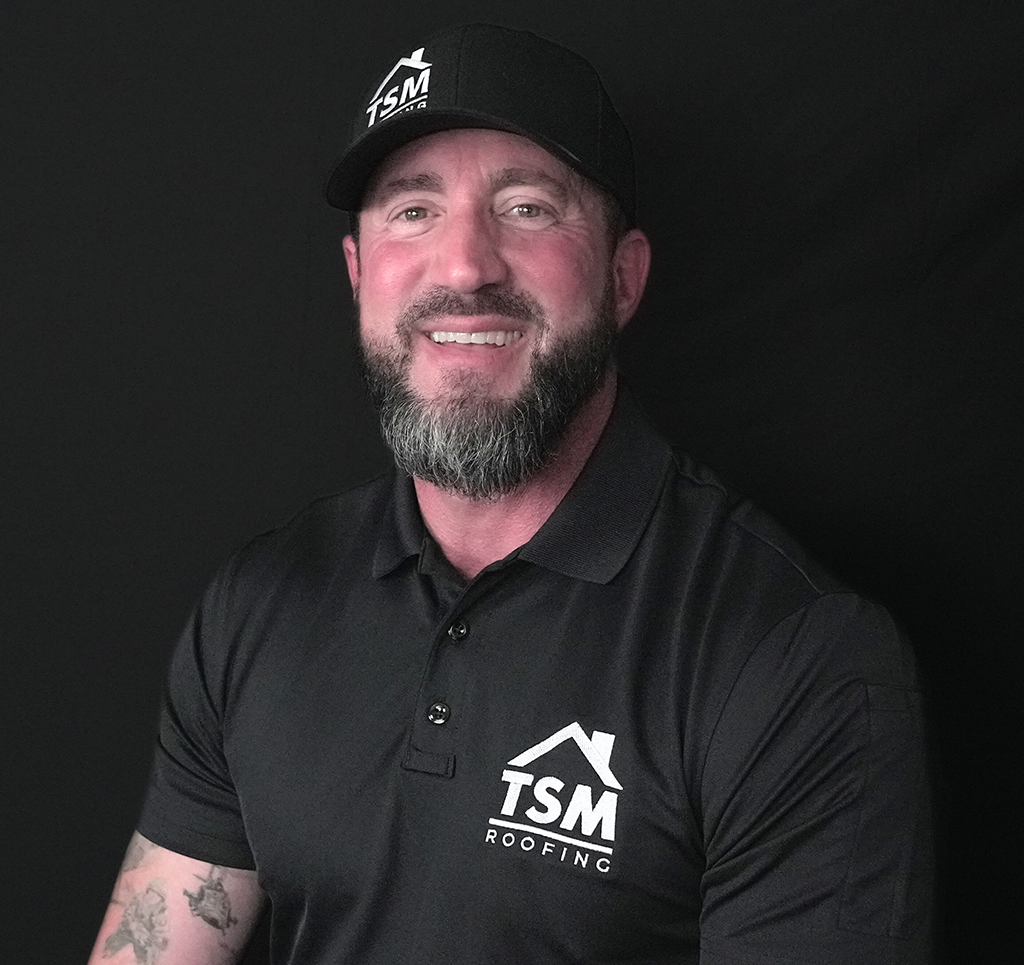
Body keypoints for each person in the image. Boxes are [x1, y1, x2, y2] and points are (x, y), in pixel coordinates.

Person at [87, 23, 934, 965]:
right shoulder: (261, 602)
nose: (463, 266)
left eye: (529, 208)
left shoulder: (791, 657)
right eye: (412, 211)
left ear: (623, 278)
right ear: (359, 273)